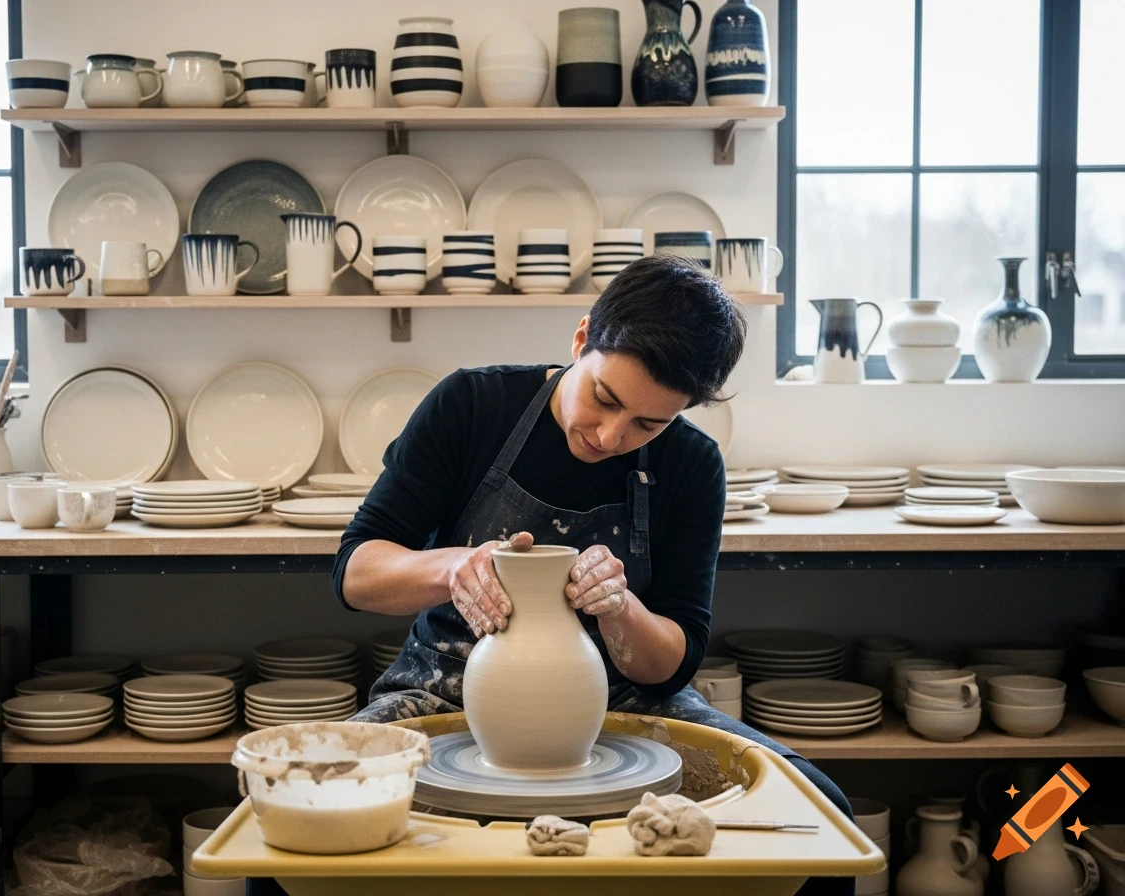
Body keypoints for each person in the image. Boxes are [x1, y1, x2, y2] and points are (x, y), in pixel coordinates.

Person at [246, 256, 854, 896]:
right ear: (581, 338)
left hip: (623, 696)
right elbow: (357, 573)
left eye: (649, 423)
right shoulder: (473, 405)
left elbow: (673, 661)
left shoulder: (692, 464)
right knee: (286, 831)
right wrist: (455, 564)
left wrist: (620, 610)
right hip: (448, 683)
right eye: (606, 397)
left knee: (818, 810)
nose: (611, 435)